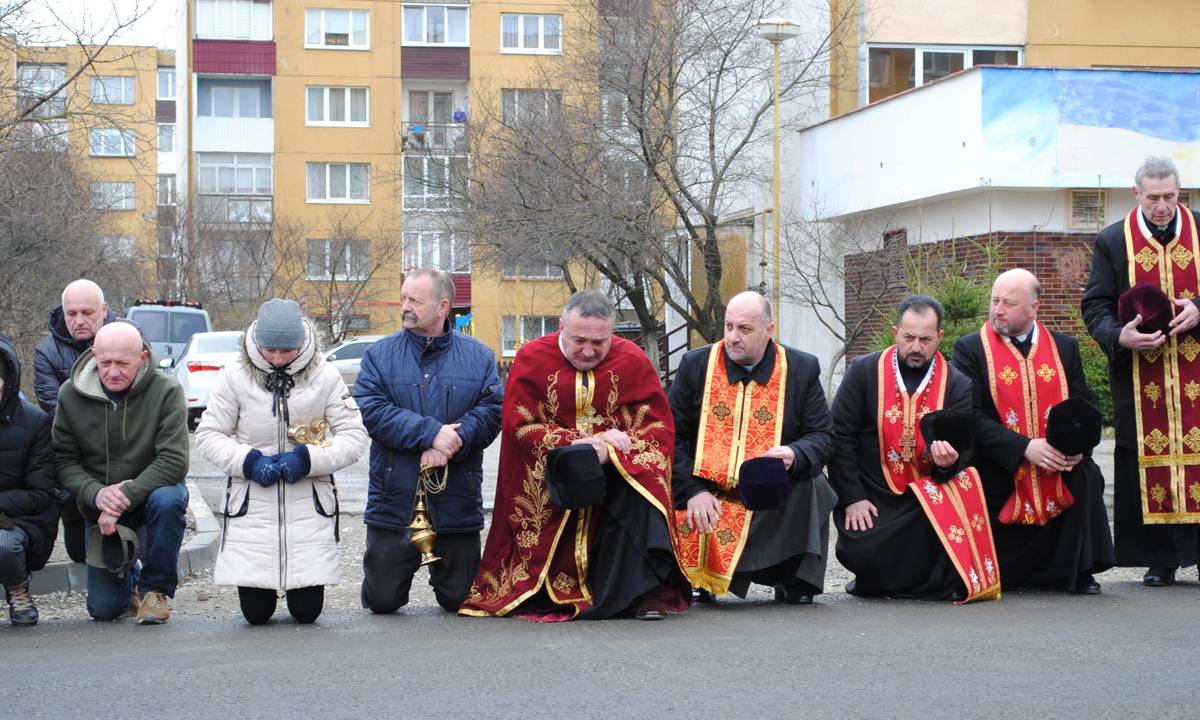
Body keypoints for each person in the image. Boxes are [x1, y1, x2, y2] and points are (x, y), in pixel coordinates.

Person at [460, 290, 691, 620]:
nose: (588, 351)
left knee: (645, 482)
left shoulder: (632, 360)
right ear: (560, 327)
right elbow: (520, 424)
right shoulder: (532, 359)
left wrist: (613, 448)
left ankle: (643, 591)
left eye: (599, 342)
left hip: (616, 474)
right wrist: (580, 444)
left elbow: (657, 427)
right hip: (553, 474)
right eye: (579, 340)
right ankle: (548, 587)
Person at [196, 299, 368, 624]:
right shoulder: (233, 376)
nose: (276, 359)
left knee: (307, 613)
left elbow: (354, 437)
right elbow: (209, 435)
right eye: (269, 350)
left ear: (301, 343)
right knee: (256, 616)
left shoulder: (326, 376)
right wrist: (248, 461)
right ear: (257, 342)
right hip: (252, 505)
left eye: (285, 351)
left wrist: (308, 459)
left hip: (308, 503)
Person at [952, 269, 1115, 593]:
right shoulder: (970, 349)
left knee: (1085, 474)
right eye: (994, 300)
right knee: (976, 482)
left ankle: (1077, 572)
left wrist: (1077, 447)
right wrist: (1024, 448)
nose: (997, 309)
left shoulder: (1063, 347)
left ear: (1033, 308)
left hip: (1056, 460)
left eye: (1008, 303)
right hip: (1002, 462)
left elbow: (1085, 405)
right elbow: (971, 417)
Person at [668, 291, 836, 604]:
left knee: (815, 485)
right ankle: (699, 580)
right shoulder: (695, 365)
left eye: (744, 329)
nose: (733, 337)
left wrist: (795, 454)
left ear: (769, 331)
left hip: (768, 494)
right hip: (707, 493)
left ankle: (794, 580)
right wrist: (691, 491)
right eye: (729, 327)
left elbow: (822, 436)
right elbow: (670, 437)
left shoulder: (800, 367)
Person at [830, 296, 1001, 602]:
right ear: (896, 333)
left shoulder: (957, 385)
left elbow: (964, 451)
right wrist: (853, 498)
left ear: (940, 337)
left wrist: (947, 464)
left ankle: (907, 584)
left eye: (925, 339)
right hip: (872, 492)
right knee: (865, 546)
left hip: (926, 496)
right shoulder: (863, 372)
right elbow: (840, 438)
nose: (916, 348)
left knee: (940, 532)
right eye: (908, 338)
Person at [354, 269, 503, 614]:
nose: (405, 306)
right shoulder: (380, 355)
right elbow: (372, 411)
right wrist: (431, 434)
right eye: (403, 298)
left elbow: (493, 410)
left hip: (455, 497)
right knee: (382, 601)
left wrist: (454, 440)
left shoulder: (479, 357)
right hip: (396, 495)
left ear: (443, 307)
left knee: (460, 600)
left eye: (414, 301)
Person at [1082, 155, 1200, 586]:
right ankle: (1159, 559)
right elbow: (1094, 304)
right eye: (1154, 198)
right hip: (1141, 378)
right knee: (1145, 460)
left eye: (1170, 196)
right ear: (1137, 195)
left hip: (1196, 375)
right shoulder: (1114, 241)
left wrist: (1198, 309)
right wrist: (1118, 335)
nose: (1163, 206)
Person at [53, 322, 189, 623]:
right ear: (93, 357)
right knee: (105, 610)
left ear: (141, 358)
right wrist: (97, 494)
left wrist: (124, 496)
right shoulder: (70, 395)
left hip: (150, 501)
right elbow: (64, 461)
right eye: (105, 363)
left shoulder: (166, 390)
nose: (113, 372)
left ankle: (154, 590)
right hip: (99, 509)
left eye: (122, 364)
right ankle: (130, 581)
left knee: (170, 498)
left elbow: (174, 461)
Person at [33, 279, 116, 563]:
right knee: (80, 555)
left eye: (87, 313)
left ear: (103, 310)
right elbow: (55, 410)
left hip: (122, 447)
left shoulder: (127, 338)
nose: (79, 320)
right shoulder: (47, 352)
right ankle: (74, 510)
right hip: (74, 455)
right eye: (72, 314)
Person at [0, 334, 59, 625]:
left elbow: (41, 492)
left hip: (19, 520)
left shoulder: (35, 422)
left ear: (7, 378)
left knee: (4, 545)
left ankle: (18, 590)